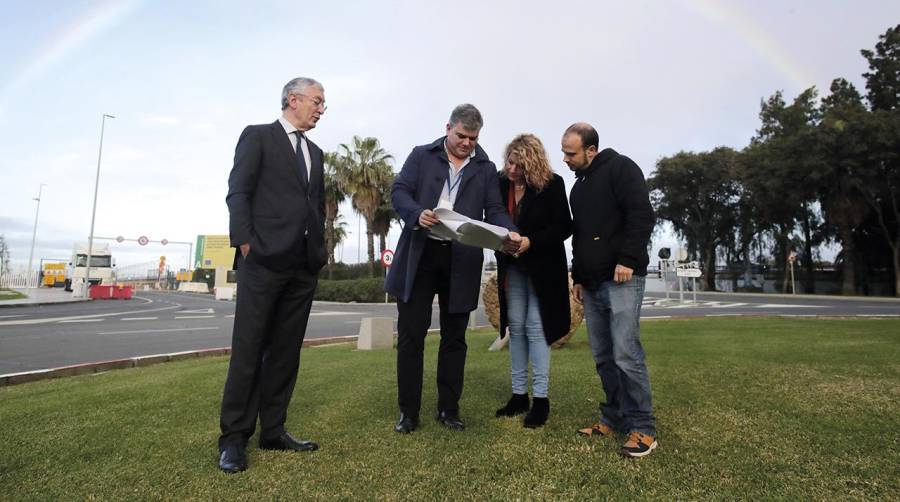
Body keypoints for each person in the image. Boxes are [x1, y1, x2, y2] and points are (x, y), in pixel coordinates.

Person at [386, 104, 521, 433]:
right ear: (448, 128)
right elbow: (399, 191)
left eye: (473, 138)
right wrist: (417, 213)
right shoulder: (421, 155)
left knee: (454, 338)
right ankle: (409, 413)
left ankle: (448, 409)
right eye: (461, 136)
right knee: (411, 337)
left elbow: (494, 210)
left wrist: (509, 230)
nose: (467, 143)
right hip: (420, 256)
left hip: (461, 260)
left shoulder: (485, 168)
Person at [218, 77, 329, 473]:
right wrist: (246, 243)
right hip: (263, 261)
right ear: (292, 99)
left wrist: (319, 250)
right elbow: (238, 192)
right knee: (249, 350)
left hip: (302, 266)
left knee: (285, 351)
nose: (320, 109)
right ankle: (233, 439)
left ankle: (274, 430)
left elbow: (315, 205)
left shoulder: (316, 152)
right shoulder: (258, 136)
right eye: (316, 101)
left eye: (323, 104)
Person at [562, 122, 658, 457]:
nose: (565, 159)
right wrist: (578, 276)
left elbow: (642, 216)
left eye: (571, 153)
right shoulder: (578, 189)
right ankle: (614, 417)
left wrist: (628, 259)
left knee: (625, 353)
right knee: (603, 357)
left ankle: (643, 427)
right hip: (592, 283)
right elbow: (581, 236)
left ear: (591, 150)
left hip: (623, 278)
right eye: (563, 152)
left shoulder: (621, 168)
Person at [493, 134, 572, 428]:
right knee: (517, 328)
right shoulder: (501, 183)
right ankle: (518, 396)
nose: (511, 170)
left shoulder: (553, 184)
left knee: (537, 329)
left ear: (533, 163)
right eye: (509, 162)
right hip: (512, 268)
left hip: (543, 270)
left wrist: (531, 242)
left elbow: (564, 226)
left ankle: (541, 399)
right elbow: (493, 217)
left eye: (519, 165)